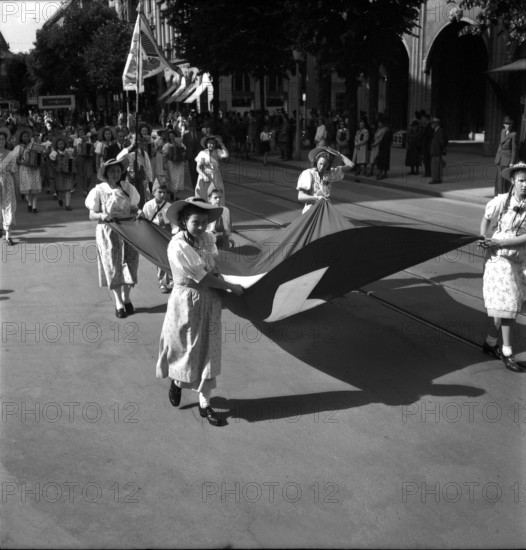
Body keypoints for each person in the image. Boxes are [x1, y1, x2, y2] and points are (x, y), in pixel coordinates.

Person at [156, 196, 244, 426]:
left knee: (209, 350)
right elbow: (203, 277)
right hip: (186, 302)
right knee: (186, 349)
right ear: (185, 221)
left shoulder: (207, 238)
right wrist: (230, 287)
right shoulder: (178, 245)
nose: (202, 226)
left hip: (210, 300)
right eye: (196, 222)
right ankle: (177, 382)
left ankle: (206, 403)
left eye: (205, 221)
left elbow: (214, 267)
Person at [478, 162, 526, 373]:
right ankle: (507, 353)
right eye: (522, 180)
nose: (525, 184)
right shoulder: (500, 201)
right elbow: (486, 219)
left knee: (506, 305)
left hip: (517, 257)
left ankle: (489, 343)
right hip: (498, 260)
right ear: (513, 181)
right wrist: (483, 237)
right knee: (506, 306)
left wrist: (501, 243)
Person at [85, 158, 140, 319]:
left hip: (129, 230)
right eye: (112, 171)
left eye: (117, 171)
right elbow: (91, 214)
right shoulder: (99, 190)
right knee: (113, 265)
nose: (115, 174)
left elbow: (134, 207)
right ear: (106, 173)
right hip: (108, 232)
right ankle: (118, 301)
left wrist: (139, 212)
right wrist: (101, 214)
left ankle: (127, 297)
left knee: (131, 263)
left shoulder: (128, 188)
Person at [296, 146, 355, 214]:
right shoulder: (308, 173)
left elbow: (351, 165)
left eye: (325, 165)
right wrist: (316, 198)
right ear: (316, 161)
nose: (322, 167)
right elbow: (300, 196)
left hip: (325, 211)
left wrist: (339, 154)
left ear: (329, 165)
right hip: (311, 211)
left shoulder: (330, 173)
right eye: (320, 164)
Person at [140, 180, 174, 294]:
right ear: (153, 192)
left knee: (171, 258)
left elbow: (173, 222)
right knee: (161, 259)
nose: (162, 195)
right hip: (155, 234)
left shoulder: (169, 206)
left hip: (167, 234)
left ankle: (173, 280)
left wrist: (174, 233)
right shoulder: (148, 206)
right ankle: (162, 282)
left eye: (164, 192)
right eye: (159, 192)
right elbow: (145, 222)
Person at [14, 126, 43, 213]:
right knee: (28, 189)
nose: (26, 138)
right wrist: (23, 163)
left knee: (35, 189)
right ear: (21, 137)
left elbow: (40, 155)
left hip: (34, 169)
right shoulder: (18, 147)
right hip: (25, 169)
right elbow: (16, 160)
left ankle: (34, 207)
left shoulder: (34, 145)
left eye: (27, 136)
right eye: (24, 136)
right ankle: (29, 203)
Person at [195, 135, 228, 204]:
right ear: (206, 144)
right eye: (209, 143)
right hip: (205, 177)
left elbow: (226, 155)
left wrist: (221, 143)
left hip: (216, 177)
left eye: (213, 143)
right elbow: (198, 168)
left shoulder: (218, 151)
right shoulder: (203, 153)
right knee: (204, 195)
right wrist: (203, 175)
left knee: (216, 195)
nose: (211, 145)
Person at [0, 127, 17, 245]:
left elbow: (14, 170)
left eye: (2, 139)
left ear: (5, 141)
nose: (0, 141)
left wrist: (17, 185)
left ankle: (8, 235)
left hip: (8, 181)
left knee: (9, 206)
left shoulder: (11, 154)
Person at [49, 134, 76, 210]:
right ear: (56, 145)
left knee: (68, 188)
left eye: (62, 144)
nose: (61, 145)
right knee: (60, 189)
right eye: (59, 144)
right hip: (59, 173)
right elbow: (51, 163)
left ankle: (68, 205)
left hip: (68, 172)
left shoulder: (68, 151)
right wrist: (56, 168)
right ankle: (60, 199)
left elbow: (72, 160)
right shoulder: (54, 153)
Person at [494, 116, 518, 195]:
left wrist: (512, 162)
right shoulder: (502, 131)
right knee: (498, 179)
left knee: (504, 179)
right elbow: (500, 144)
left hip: (507, 160)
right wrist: (498, 155)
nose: (506, 125)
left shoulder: (513, 134)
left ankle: (505, 195)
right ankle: (497, 195)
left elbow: (514, 149)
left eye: (508, 124)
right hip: (500, 159)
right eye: (505, 123)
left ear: (511, 125)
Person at [162, 128, 186, 201]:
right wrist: (164, 164)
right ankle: (173, 196)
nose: (172, 137)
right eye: (170, 136)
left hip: (179, 164)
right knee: (173, 179)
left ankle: (175, 195)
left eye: (173, 135)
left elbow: (184, 151)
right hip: (171, 163)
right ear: (168, 137)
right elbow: (164, 156)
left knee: (180, 179)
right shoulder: (167, 145)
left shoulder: (180, 144)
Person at [429, 117, 447, 184]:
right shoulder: (436, 130)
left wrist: (440, 149)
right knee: (436, 165)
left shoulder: (440, 130)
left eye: (433, 123)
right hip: (435, 151)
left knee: (435, 166)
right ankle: (437, 179)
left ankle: (436, 179)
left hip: (437, 151)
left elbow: (442, 141)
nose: (432, 125)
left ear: (437, 124)